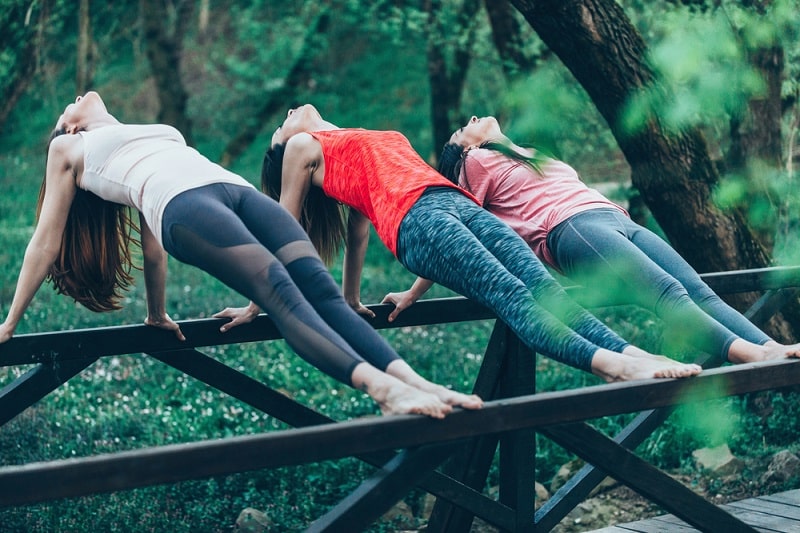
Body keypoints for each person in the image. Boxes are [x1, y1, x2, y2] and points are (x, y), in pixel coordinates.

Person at [0, 91, 484, 419]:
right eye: (69, 106)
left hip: (235, 192)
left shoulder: (154, 130)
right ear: (68, 123)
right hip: (184, 209)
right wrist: (7, 325)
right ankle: (383, 391)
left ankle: (418, 382)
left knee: (323, 294)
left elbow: (150, 252)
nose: (77, 98)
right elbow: (45, 242)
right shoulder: (69, 146)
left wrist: (157, 313)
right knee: (281, 294)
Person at [231, 104, 702, 383]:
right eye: (278, 130)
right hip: (417, 224)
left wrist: (353, 299)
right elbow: (283, 234)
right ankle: (613, 367)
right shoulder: (300, 149)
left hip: (455, 204)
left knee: (546, 292)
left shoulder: (351, 143)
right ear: (283, 150)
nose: (285, 119)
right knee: (514, 297)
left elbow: (357, 236)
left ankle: (633, 355)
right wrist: (256, 306)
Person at [414, 114, 800, 366]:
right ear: (465, 147)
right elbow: (454, 228)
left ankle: (772, 348)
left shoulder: (527, 152)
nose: (472, 119)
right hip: (570, 229)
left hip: (611, 217)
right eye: (463, 128)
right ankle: (751, 354)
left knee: (698, 289)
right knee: (667, 294)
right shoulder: (475, 162)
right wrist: (414, 291)